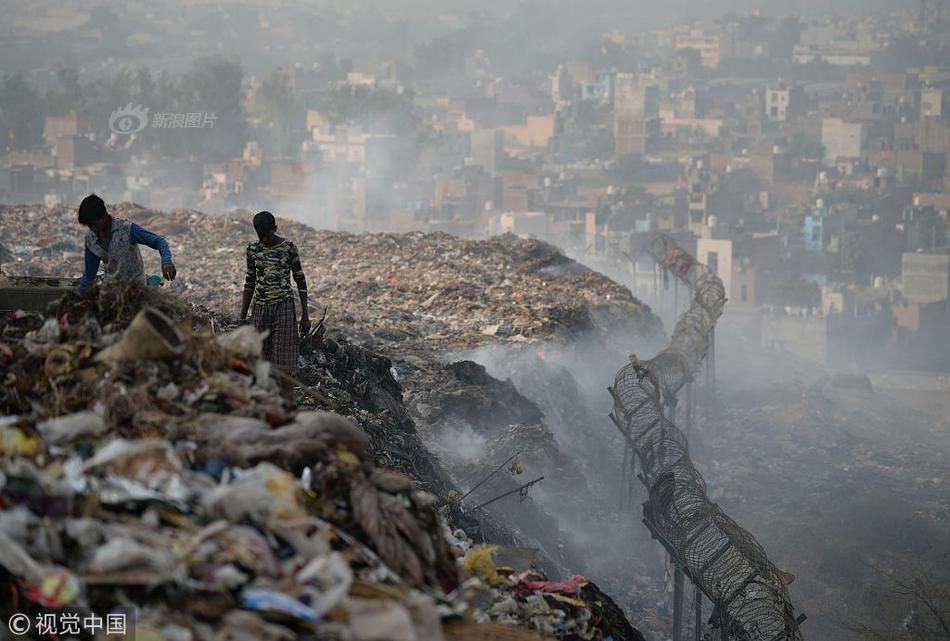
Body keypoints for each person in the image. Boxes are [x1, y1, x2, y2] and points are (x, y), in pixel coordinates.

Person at [240, 211, 310, 374]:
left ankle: (283, 396)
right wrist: (242, 316)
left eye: (268, 235)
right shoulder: (253, 250)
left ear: (276, 228)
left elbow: (300, 280)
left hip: (283, 308)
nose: (264, 240)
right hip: (260, 309)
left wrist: (305, 315)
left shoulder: (288, 248)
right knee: (257, 361)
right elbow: (250, 281)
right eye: (261, 236)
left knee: (283, 363)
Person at [78, 193, 176, 291]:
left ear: (104, 216)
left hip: (136, 289)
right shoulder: (91, 240)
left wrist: (166, 261)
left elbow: (159, 241)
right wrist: (80, 295)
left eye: (94, 224)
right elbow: (89, 274)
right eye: (89, 225)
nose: (93, 228)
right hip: (111, 291)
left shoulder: (126, 229)